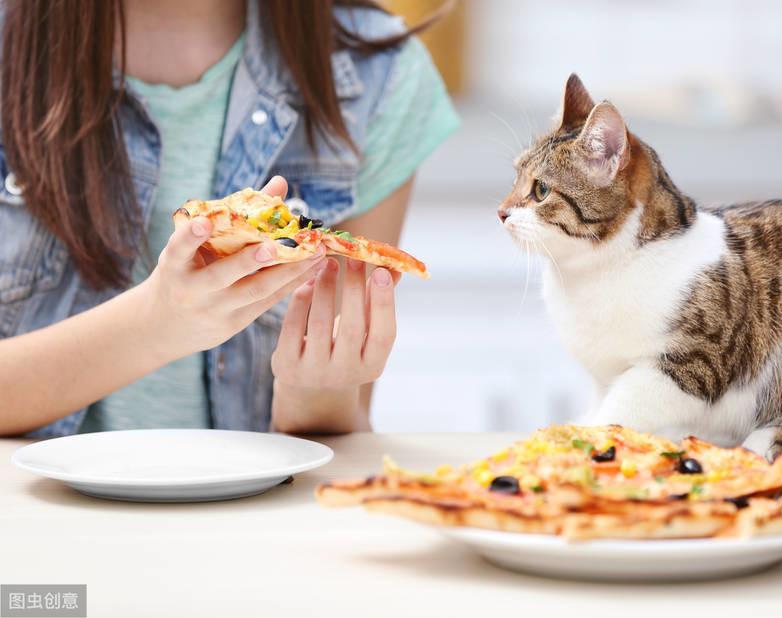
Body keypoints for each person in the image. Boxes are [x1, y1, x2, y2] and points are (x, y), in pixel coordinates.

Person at [0, 0, 458, 436]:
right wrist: (154, 324)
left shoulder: (378, 74)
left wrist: (314, 392)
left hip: (253, 516)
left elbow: (335, 428)